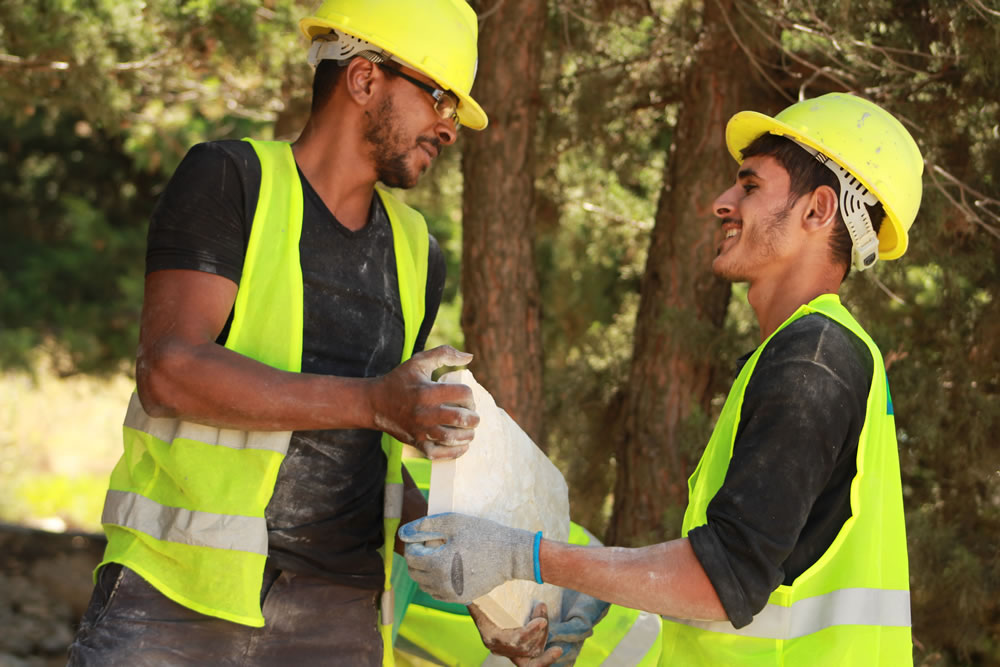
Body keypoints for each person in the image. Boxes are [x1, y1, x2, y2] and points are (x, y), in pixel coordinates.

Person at [401, 92, 922, 666]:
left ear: (818, 211)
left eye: (749, 186)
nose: (722, 203)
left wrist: (525, 557)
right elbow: (734, 575)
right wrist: (590, 591)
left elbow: (719, 581)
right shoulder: (818, 351)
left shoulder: (812, 362)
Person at [67, 0, 491, 664]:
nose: (449, 127)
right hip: (175, 598)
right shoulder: (230, 180)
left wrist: (483, 587)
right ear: (364, 79)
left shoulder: (418, 252)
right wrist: (374, 402)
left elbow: (370, 451)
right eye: (439, 97)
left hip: (339, 614)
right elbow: (168, 371)